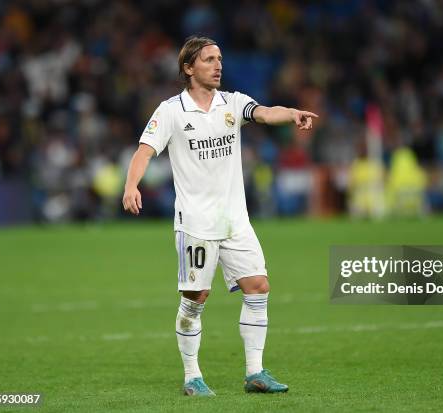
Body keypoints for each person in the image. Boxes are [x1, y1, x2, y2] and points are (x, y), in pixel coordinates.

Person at [122, 36, 318, 396]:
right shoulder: (171, 111)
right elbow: (144, 151)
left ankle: (255, 372)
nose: (218, 65)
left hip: (235, 220)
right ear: (188, 67)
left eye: (219, 58)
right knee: (195, 299)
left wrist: (291, 114)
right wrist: (131, 185)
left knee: (258, 287)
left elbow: (263, 112)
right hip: (196, 223)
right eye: (209, 59)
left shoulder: (233, 103)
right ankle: (192, 376)